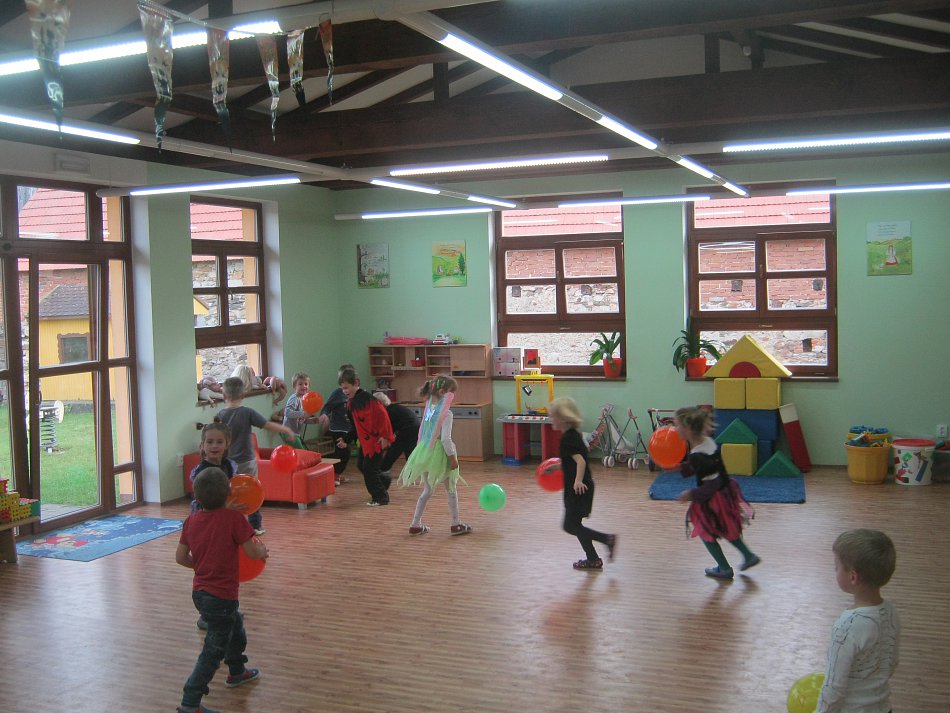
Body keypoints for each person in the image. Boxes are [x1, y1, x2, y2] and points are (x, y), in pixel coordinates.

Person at [176, 467, 268, 713]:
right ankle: (190, 703)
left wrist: (202, 566)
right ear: (229, 493)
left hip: (200, 594)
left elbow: (180, 557)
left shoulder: (191, 521)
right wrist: (263, 551)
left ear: (196, 496)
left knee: (235, 625)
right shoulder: (234, 519)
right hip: (222, 597)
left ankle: (237, 671)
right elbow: (252, 552)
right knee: (212, 652)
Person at [816, 529, 900, 713]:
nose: (835, 570)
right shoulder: (891, 612)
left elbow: (834, 687)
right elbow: (892, 662)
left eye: (836, 567)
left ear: (853, 577)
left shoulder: (847, 626)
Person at [673, 406, 759, 580]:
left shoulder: (697, 455)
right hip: (725, 492)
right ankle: (748, 556)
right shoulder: (707, 442)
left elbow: (711, 483)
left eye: (677, 425)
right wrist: (680, 468)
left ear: (688, 429)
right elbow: (707, 466)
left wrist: (691, 494)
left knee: (705, 531)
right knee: (728, 528)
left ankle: (724, 568)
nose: (675, 429)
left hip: (713, 499)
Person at [217, 376, 296, 535]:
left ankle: (230, 524)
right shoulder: (247, 412)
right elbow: (267, 425)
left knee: (230, 492)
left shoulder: (220, 415)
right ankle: (255, 525)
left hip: (227, 462)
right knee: (252, 491)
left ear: (224, 396)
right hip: (247, 461)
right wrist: (286, 429)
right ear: (243, 395)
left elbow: (217, 438)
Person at [398, 375, 472, 535]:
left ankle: (415, 524)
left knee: (427, 490)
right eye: (452, 392)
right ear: (442, 392)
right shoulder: (446, 414)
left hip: (425, 452)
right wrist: (452, 458)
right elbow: (445, 439)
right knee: (451, 488)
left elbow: (423, 432)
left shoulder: (429, 409)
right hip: (440, 455)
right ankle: (455, 524)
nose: (454, 396)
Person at [548, 397, 616, 570]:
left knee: (570, 526)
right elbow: (572, 460)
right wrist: (556, 467)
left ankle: (607, 539)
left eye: (553, 416)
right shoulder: (573, 435)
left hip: (579, 489)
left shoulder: (568, 438)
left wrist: (577, 481)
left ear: (563, 418)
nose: (551, 419)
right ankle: (593, 559)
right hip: (582, 487)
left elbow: (580, 461)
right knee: (576, 525)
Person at [338, 367, 395, 506]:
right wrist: (346, 439)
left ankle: (381, 497)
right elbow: (356, 426)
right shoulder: (352, 403)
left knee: (369, 470)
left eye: (346, 387)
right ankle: (384, 481)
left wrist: (385, 436)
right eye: (342, 389)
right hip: (365, 443)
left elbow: (383, 417)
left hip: (376, 442)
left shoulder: (369, 400)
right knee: (362, 465)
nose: (344, 391)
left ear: (356, 383)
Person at [318, 363, 355, 483]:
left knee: (344, 453)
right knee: (344, 452)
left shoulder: (355, 392)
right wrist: (324, 414)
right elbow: (327, 407)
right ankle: (334, 474)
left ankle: (336, 474)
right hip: (337, 429)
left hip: (348, 429)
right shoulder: (338, 393)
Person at [374, 391, 421, 478]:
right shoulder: (394, 408)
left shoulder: (388, 412)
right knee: (409, 450)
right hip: (416, 427)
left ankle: (383, 469)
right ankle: (411, 472)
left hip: (409, 428)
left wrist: (384, 438)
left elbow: (389, 430)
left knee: (395, 449)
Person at [281, 371, 317, 449]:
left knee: (298, 452)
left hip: (295, 433)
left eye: (306, 384)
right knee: (301, 452)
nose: (304, 386)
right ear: (294, 386)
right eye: (300, 384)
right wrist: (303, 413)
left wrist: (312, 420)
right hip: (288, 432)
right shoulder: (294, 399)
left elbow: (301, 419)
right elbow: (287, 412)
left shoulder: (304, 401)